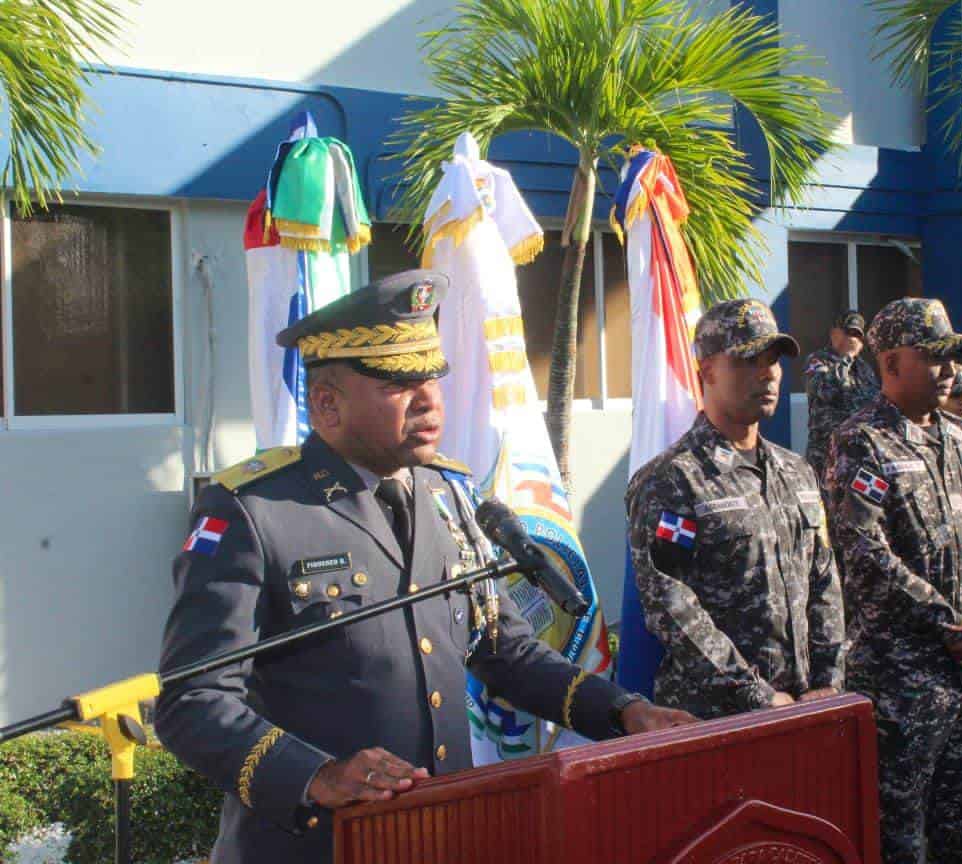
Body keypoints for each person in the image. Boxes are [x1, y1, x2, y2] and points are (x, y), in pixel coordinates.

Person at [155, 270, 693, 863]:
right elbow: (191, 700)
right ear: (327, 404)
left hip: (440, 835)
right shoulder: (255, 511)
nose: (429, 399)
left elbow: (504, 649)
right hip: (317, 847)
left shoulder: (446, 493)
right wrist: (318, 774)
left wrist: (623, 712)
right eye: (397, 381)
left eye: (432, 377)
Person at [825, 297, 962, 864]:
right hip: (903, 677)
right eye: (932, 356)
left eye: (952, 356)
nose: (948, 370)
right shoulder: (861, 441)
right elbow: (865, 553)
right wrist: (953, 625)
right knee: (898, 833)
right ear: (889, 365)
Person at [627, 298, 846, 719]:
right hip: (719, 719)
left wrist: (829, 682)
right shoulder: (673, 480)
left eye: (773, 360)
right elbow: (671, 604)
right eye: (748, 361)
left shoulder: (797, 472)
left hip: (806, 709)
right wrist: (753, 694)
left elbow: (824, 581)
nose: (768, 374)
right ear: (707, 371)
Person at [804, 309, 879, 483]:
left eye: (856, 335)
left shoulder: (864, 368)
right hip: (825, 451)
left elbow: (874, 404)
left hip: (858, 452)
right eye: (848, 333)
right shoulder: (818, 361)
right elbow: (824, 390)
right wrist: (847, 358)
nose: (852, 339)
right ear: (834, 333)